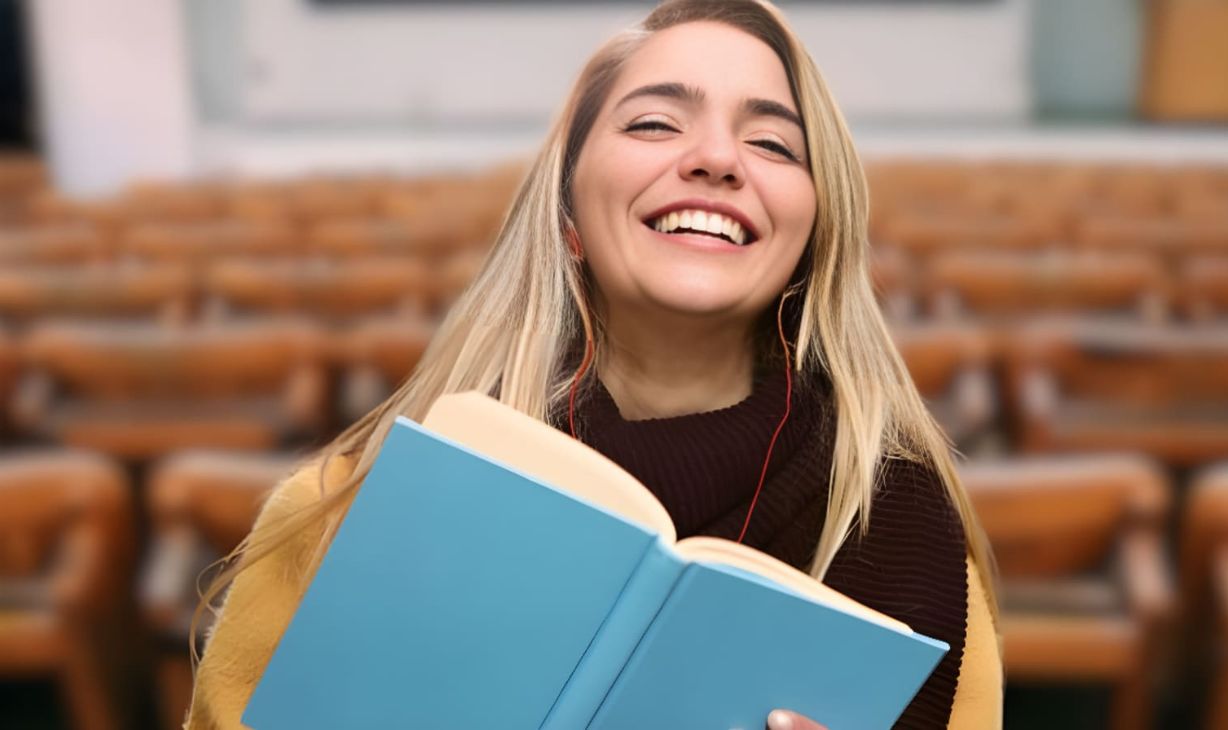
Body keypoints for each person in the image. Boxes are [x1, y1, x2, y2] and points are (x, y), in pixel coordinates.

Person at [185, 1, 1003, 728]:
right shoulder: (341, 518)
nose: (718, 158)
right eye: (654, 123)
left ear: (808, 241)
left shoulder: (912, 542)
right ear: (567, 213)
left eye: (771, 142)